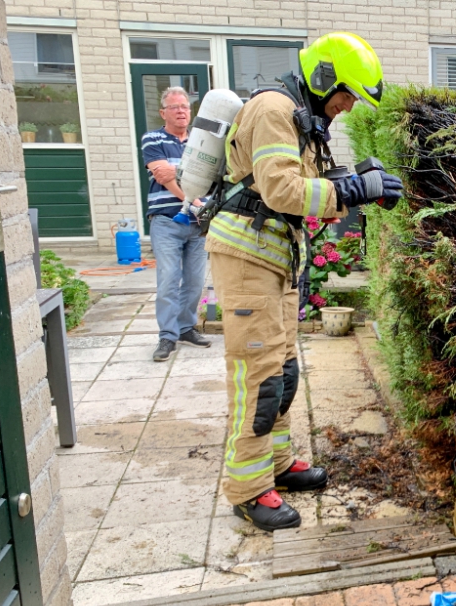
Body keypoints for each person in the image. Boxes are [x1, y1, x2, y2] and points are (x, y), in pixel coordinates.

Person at [204, 32, 403, 531]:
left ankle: (275, 466)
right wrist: (355, 191)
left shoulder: (302, 117)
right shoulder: (274, 109)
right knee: (260, 378)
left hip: (273, 257)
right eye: (347, 94)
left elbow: (309, 182)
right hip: (248, 257)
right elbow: (280, 188)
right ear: (324, 79)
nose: (349, 106)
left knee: (284, 371)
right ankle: (248, 491)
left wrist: (360, 180)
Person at [142, 86, 211, 362]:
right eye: (175, 107)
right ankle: (167, 336)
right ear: (163, 112)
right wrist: (193, 198)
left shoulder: (200, 141)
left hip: (198, 225)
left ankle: (186, 328)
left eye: (185, 106)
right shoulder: (153, 138)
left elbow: (210, 175)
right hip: (167, 221)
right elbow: (163, 177)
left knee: (195, 282)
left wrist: (177, 169)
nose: (182, 111)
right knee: (169, 280)